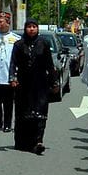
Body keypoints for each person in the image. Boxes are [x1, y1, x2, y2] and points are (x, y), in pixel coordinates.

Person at [8, 18, 56, 154]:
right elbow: (13, 63)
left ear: (37, 28)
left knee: (40, 113)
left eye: (34, 26)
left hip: (40, 84)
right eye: (29, 26)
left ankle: (38, 141)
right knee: (24, 113)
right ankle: (23, 143)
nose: (32, 29)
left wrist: (54, 82)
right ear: (25, 29)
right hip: (23, 84)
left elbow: (49, 64)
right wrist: (13, 78)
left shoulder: (44, 44)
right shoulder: (18, 44)